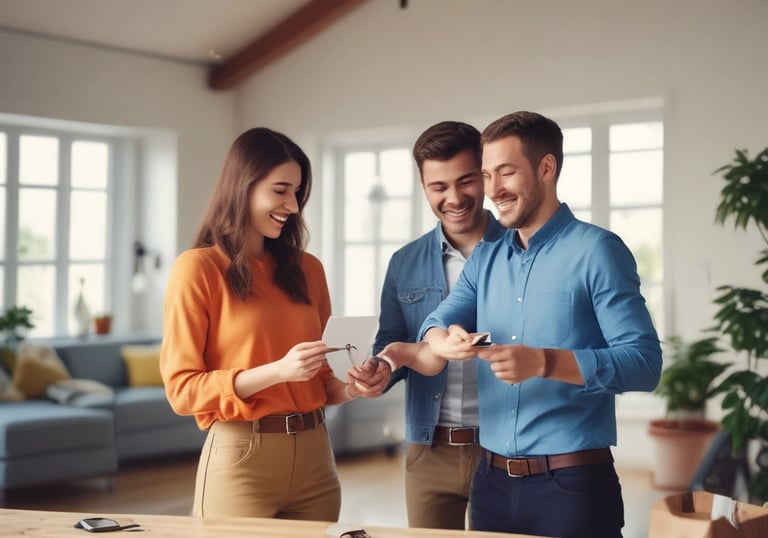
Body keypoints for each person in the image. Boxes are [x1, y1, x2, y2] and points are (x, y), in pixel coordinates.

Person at [386, 111, 662, 537]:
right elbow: (440, 318)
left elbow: (644, 363)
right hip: (491, 484)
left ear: (546, 168)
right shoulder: (487, 257)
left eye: (507, 173)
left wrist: (544, 362)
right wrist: (444, 338)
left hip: (572, 485)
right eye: (487, 174)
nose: (493, 190)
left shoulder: (598, 251)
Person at [159, 127, 389, 521]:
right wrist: (278, 371)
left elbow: (324, 384)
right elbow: (182, 391)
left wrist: (355, 386)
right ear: (242, 187)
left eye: (298, 192)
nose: (293, 205)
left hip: (317, 458)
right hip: (241, 459)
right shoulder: (197, 269)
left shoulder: (308, 269)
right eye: (280, 190)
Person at [372, 121, 504, 529]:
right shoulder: (404, 263)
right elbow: (391, 344)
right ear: (422, 184)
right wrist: (380, 371)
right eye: (438, 187)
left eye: (466, 181)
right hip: (429, 449)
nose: (454, 198)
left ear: (485, 174)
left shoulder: (521, 250)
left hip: (505, 448)